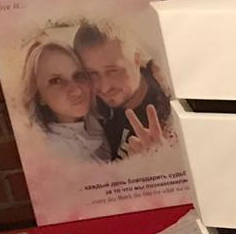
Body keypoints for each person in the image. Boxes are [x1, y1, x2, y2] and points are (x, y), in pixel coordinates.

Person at [73, 20, 173, 160]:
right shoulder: (87, 103)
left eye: (113, 71)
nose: (104, 88)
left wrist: (163, 161)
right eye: (92, 73)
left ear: (136, 60)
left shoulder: (169, 111)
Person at [19, 39, 110, 164]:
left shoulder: (98, 120)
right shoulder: (51, 154)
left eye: (78, 75)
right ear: (39, 96)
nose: (76, 91)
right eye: (56, 81)